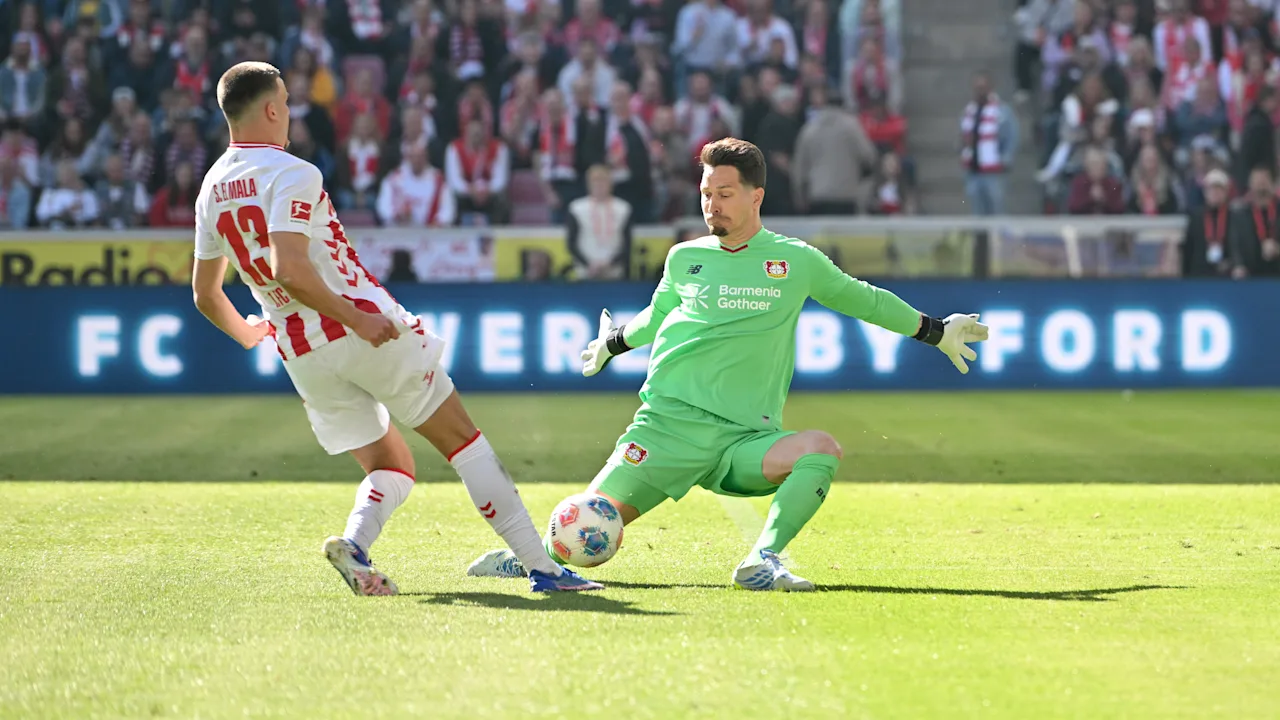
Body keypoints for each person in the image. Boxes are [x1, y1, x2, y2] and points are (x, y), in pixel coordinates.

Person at [468, 138, 989, 591]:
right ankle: (531, 562)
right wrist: (614, 343)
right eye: (705, 194)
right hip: (666, 431)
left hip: (743, 441)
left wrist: (934, 330)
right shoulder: (684, 258)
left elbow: (865, 299)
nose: (711, 205)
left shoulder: (796, 261)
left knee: (820, 449)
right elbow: (658, 315)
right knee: (589, 526)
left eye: (724, 194)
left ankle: (763, 559)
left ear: (756, 195)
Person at [191, 62, 602, 596]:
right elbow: (289, 267)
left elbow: (205, 293)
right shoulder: (292, 172)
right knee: (464, 442)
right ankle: (543, 570)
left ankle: (355, 546)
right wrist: (358, 317)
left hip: (300, 353)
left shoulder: (210, 188)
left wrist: (248, 334)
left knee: (393, 465)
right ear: (271, 109)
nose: (290, 111)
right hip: (357, 329)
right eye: (287, 102)